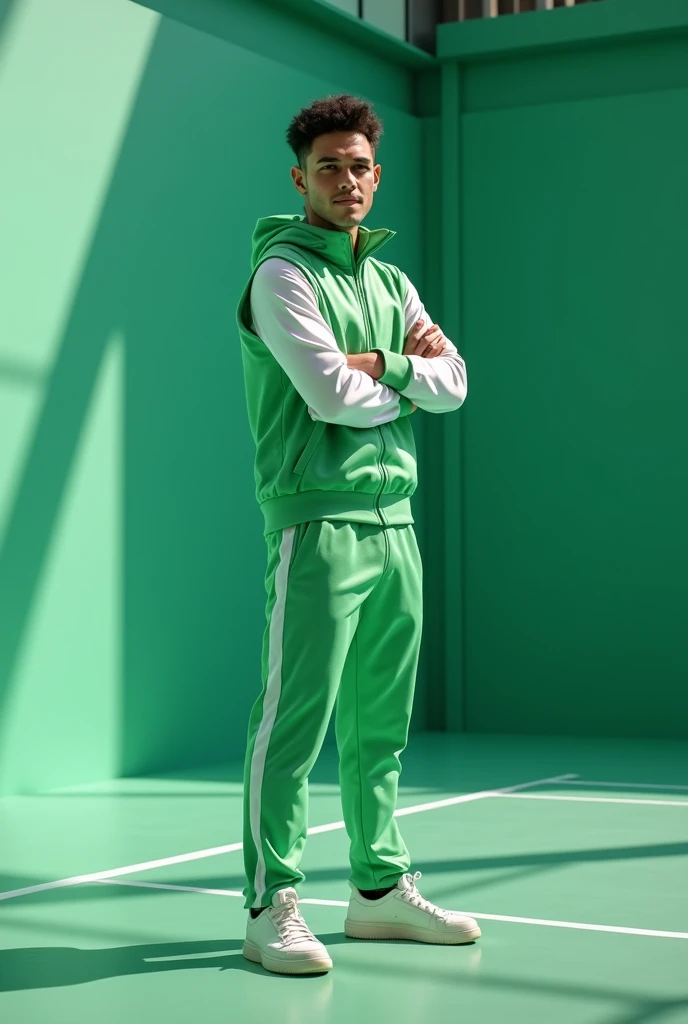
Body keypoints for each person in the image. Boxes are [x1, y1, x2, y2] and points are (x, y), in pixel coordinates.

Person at [235, 93, 479, 977]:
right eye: (330, 166)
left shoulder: (390, 280)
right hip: (316, 519)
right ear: (300, 178)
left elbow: (455, 383)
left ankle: (378, 891)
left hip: (396, 521)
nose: (348, 180)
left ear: (379, 174)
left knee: (381, 726)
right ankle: (271, 903)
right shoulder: (281, 276)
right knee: (292, 723)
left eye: (361, 165)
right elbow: (330, 397)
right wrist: (398, 379)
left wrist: (389, 366)